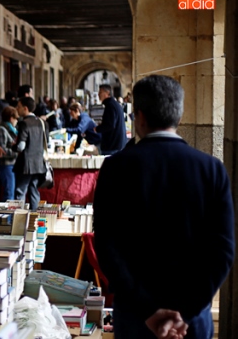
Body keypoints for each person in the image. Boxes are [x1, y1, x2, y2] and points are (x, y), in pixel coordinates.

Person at [94, 75, 235, 339]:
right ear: (179, 117)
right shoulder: (211, 169)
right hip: (192, 320)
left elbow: (106, 247)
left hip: (136, 315)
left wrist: (149, 310)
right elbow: (223, 250)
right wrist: (186, 311)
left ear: (140, 117)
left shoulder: (116, 168)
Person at [13, 97, 47, 211]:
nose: (17, 109)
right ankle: (34, 216)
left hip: (26, 164)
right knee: (33, 190)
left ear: (25, 108)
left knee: (20, 191)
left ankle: (20, 217)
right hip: (38, 163)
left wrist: (12, 146)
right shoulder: (41, 122)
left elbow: (21, 146)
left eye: (18, 106)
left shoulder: (24, 123)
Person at [94, 84, 127, 155]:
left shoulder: (110, 106)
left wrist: (97, 129)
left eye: (100, 92)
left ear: (107, 93)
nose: (98, 94)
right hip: (117, 145)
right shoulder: (114, 104)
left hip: (112, 146)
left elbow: (110, 125)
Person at [0, 106, 18, 201]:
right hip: (6, 165)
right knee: (8, 193)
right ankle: (7, 215)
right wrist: (17, 152)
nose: (17, 121)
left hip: (12, 164)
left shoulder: (12, 130)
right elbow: (2, 149)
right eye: (16, 118)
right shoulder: (2, 130)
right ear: (11, 118)